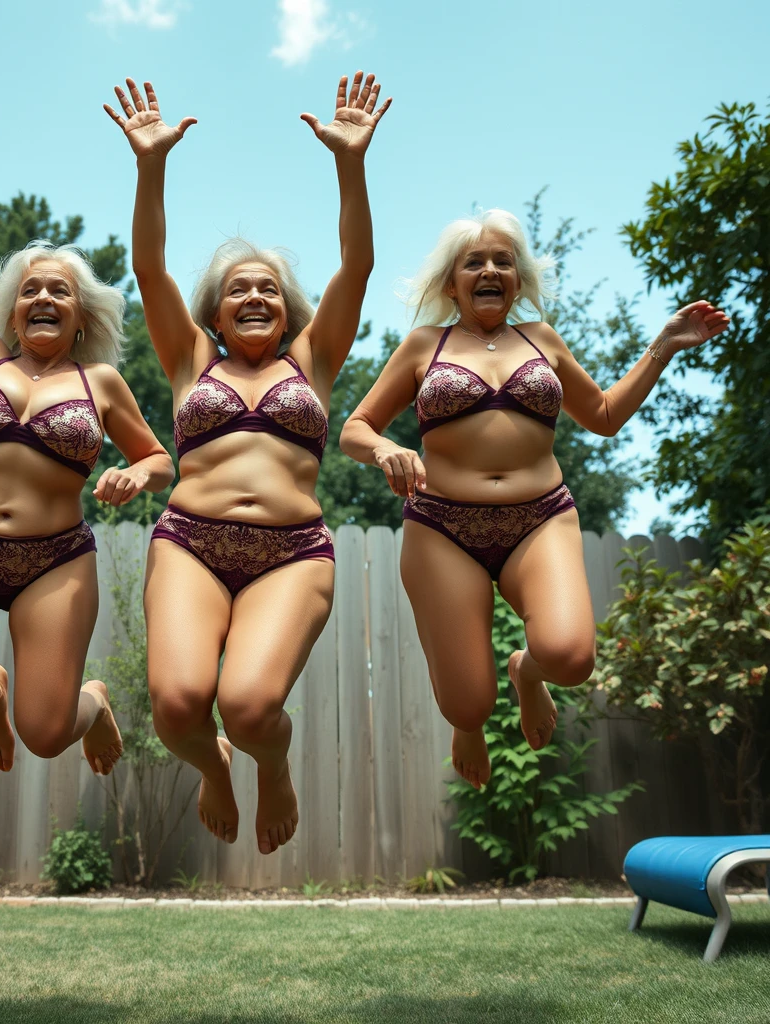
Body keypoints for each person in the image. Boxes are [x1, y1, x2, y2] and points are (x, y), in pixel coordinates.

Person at [340, 208, 729, 789]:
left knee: (571, 659)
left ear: (519, 279)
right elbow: (355, 427)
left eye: (504, 261)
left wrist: (664, 345)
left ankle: (527, 672)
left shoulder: (541, 339)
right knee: (467, 705)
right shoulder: (425, 345)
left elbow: (601, 416)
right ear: (453, 282)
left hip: (539, 518)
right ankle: (467, 723)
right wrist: (386, 451)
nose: (491, 269)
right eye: (475, 262)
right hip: (443, 527)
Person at [105, 73, 390, 852]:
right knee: (176, 708)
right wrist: (150, 164)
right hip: (190, 542)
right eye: (239, 289)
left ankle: (271, 765)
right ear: (217, 310)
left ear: (287, 307)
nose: (255, 295)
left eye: (268, 287)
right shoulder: (189, 358)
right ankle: (216, 770)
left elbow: (356, 268)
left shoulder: (314, 360)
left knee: (253, 707)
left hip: (291, 554)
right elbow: (148, 266)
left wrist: (351, 163)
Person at [0, 107, 174, 775]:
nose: (44, 297)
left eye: (60, 291)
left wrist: (137, 476)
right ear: (13, 309)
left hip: (53, 561)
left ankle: (96, 701)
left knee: (48, 735)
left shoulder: (101, 383)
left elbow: (160, 458)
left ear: (81, 316)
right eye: (30, 290)